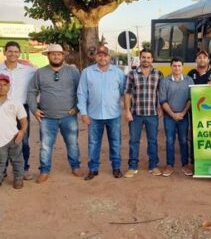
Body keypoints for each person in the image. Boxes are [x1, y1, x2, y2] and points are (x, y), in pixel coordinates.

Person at [27, 44, 82, 183]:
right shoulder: (40, 73)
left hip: (68, 116)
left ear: (63, 56)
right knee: (45, 146)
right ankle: (44, 171)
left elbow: (81, 91)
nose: (56, 56)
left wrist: (77, 107)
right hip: (47, 118)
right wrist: (34, 109)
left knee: (72, 144)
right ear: (48, 56)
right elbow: (32, 92)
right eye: (53, 54)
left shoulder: (73, 72)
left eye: (59, 54)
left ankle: (75, 166)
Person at [0, 41, 35, 180]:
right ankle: (2, 170)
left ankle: (23, 169)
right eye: (10, 51)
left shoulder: (28, 70)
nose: (13, 54)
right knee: (0, 140)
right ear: (4, 52)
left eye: (16, 51)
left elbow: (43, 76)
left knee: (22, 139)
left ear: (19, 53)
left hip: (21, 110)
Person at [77, 45, 126, 180]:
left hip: (113, 115)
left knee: (115, 142)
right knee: (93, 143)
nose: (102, 58)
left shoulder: (118, 73)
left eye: (105, 55)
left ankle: (116, 168)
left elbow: (123, 91)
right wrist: (83, 113)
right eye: (99, 55)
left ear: (109, 57)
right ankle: (93, 169)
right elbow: (81, 93)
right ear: (95, 57)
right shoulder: (87, 72)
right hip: (94, 115)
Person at [123, 49, 164, 177]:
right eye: (144, 57)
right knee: (134, 141)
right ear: (140, 58)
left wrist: (160, 107)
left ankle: (153, 166)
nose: (146, 60)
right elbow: (127, 93)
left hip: (152, 114)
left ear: (152, 59)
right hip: (136, 114)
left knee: (153, 141)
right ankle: (132, 167)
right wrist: (127, 111)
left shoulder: (158, 74)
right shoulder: (132, 74)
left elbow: (161, 93)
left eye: (148, 57)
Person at [159, 57, 194, 177]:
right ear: (171, 66)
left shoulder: (189, 80)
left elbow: (190, 99)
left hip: (184, 116)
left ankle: (185, 165)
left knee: (184, 140)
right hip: (169, 116)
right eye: (174, 66)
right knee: (169, 140)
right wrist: (173, 114)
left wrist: (183, 113)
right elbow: (163, 100)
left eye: (179, 65)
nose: (177, 68)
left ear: (182, 67)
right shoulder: (164, 81)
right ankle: (169, 165)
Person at [187, 50, 211, 165]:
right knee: (195, 134)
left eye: (204, 57)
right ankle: (195, 160)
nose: (202, 59)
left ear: (208, 60)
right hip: (194, 111)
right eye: (199, 57)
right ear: (196, 60)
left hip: (210, 111)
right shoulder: (190, 73)